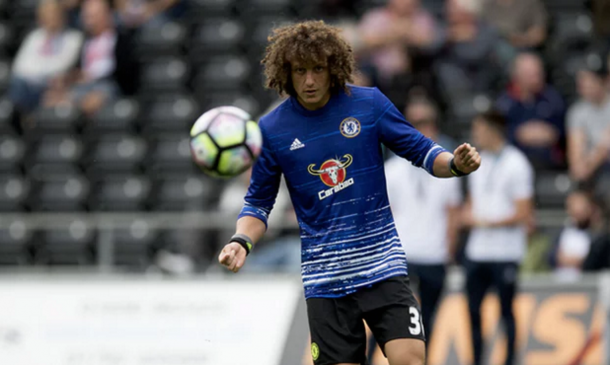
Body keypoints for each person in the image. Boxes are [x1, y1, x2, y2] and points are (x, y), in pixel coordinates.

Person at [217, 21, 481, 365]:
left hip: (382, 269)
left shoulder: (369, 105)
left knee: (411, 359)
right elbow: (258, 204)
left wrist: (457, 164)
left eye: (318, 69)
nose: (309, 80)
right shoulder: (272, 130)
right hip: (325, 282)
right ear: (286, 72)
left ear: (334, 69)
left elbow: (425, 153)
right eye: (300, 71)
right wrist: (241, 240)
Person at [382, 98, 462, 353]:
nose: (420, 128)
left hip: (433, 254)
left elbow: (453, 214)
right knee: (386, 321)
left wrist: (449, 251)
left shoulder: (448, 168)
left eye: (425, 122)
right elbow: (385, 215)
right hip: (400, 256)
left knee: (428, 321)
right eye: (414, 123)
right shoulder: (392, 169)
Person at [463, 110, 534, 365]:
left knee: (506, 312)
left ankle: (510, 360)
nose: (475, 134)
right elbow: (471, 203)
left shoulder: (517, 163)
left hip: (505, 251)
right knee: (472, 311)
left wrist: (486, 222)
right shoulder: (478, 162)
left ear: (493, 129)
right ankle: (477, 360)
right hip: (478, 250)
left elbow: (524, 212)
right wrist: (468, 215)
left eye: (479, 128)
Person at [9, 0, 83, 115]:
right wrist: (43, 70)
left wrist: (36, 67)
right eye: (46, 14)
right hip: (30, 86)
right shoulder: (34, 37)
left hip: (54, 86)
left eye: (53, 14)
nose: (50, 18)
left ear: (62, 16)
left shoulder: (73, 38)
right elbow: (19, 67)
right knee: (17, 84)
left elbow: (62, 66)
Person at [496, 52, 566, 170]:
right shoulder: (504, 104)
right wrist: (518, 134)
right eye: (530, 75)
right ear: (516, 77)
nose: (536, 79)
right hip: (514, 165)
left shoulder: (553, 98)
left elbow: (565, 131)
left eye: (538, 74)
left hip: (550, 163)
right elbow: (497, 138)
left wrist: (552, 133)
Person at [566, 61, 610, 185]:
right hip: (594, 176)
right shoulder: (577, 112)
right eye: (582, 82)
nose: (586, 86)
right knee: (577, 203)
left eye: (591, 80)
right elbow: (577, 170)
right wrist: (601, 149)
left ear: (605, 81)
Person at [550, 190, 603, 282]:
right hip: (561, 284)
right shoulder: (561, 233)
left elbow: (597, 260)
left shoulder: (599, 237)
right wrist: (558, 258)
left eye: (582, 208)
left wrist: (580, 261)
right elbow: (550, 256)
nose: (578, 212)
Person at [481, 0, 548, 50]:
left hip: (518, 48)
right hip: (489, 48)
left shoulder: (530, 3)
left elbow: (539, 35)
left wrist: (520, 39)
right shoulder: (488, 6)